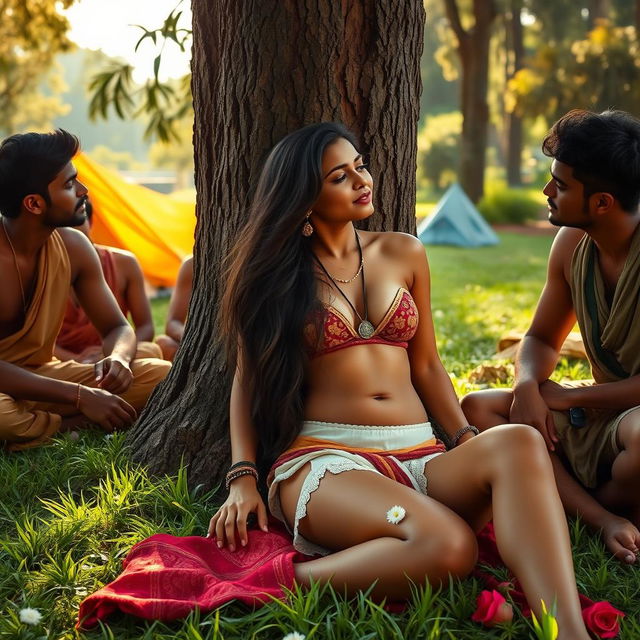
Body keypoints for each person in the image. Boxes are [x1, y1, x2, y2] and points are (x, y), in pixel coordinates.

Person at [207, 123, 591, 639]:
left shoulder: (403, 251)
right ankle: (284, 578)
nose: (362, 181)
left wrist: (464, 440)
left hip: (421, 455)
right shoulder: (275, 274)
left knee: (518, 442)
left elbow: (428, 365)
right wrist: (243, 478)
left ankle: (568, 633)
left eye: (360, 166)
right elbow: (247, 381)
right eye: (340, 177)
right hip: (328, 460)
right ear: (303, 196)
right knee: (451, 546)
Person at [462, 109, 640, 566]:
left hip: (627, 415)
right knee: (479, 407)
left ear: (601, 202)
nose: (546, 191)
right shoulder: (570, 246)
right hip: (600, 411)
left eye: (560, 185)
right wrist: (526, 387)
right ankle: (603, 516)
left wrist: (560, 399)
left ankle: (562, 488)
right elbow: (541, 338)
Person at [0, 129, 171, 448]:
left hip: (45, 378)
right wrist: (79, 395)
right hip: (11, 391)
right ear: (34, 203)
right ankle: (75, 422)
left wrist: (118, 359)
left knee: (162, 376)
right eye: (69, 184)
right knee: (1, 416)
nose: (83, 190)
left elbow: (118, 326)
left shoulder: (74, 246)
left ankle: (52, 425)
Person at [55, 198, 164, 363]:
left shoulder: (124, 264)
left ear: (90, 222)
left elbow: (145, 328)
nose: (70, 233)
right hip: (63, 364)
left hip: (113, 357)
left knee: (152, 351)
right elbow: (34, 342)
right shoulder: (39, 268)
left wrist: (114, 354)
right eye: (62, 226)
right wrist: (77, 360)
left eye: (75, 223)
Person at [154, 255, 193, 361]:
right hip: (198, 342)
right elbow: (173, 323)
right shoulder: (192, 264)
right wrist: (194, 338)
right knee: (163, 343)